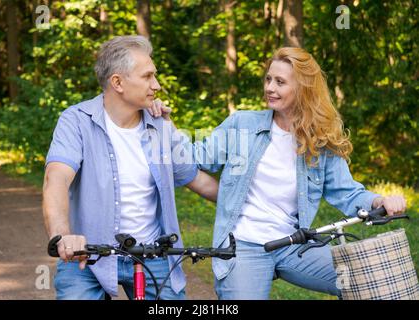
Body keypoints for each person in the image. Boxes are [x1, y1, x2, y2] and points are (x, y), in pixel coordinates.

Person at [151, 47, 407, 300]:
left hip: (294, 245)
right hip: (244, 246)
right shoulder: (243, 125)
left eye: (280, 82)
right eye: (268, 79)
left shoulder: (320, 141)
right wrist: (165, 123)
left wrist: (377, 201)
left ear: (304, 89)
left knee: (370, 278)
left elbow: (347, 192)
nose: (269, 87)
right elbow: (195, 156)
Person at [42, 35, 219, 300]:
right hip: (88, 254)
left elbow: (195, 179)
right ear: (117, 82)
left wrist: (252, 202)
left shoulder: (160, 125)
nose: (156, 85)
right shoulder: (76, 121)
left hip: (153, 255)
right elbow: (55, 180)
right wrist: (62, 236)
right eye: (147, 77)